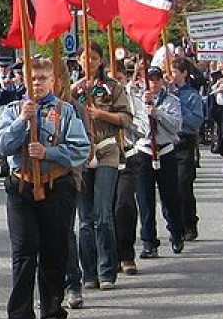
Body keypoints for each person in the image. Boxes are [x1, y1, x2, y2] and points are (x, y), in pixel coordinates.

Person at [0, 57, 90, 319]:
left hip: (55, 184)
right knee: (23, 252)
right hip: (21, 186)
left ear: (53, 81)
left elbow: (80, 149)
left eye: (42, 78)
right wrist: (23, 122)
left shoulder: (65, 111)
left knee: (54, 249)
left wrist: (49, 153)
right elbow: (2, 145)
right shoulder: (13, 110)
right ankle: (19, 317)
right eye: (32, 78)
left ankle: (52, 312)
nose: (36, 83)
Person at [69, 43, 132, 295]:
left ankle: (107, 269)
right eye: (85, 58)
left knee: (103, 214)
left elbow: (125, 118)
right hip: (82, 154)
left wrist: (100, 114)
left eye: (94, 58)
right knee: (85, 219)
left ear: (101, 60)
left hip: (106, 150)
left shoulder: (112, 88)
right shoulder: (74, 90)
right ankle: (89, 272)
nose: (90, 62)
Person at [129, 66, 185, 262]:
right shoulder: (136, 101)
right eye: (149, 79)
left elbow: (176, 126)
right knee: (145, 200)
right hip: (144, 151)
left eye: (156, 79)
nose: (153, 83)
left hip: (165, 150)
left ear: (161, 81)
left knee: (170, 197)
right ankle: (149, 242)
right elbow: (134, 126)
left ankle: (177, 233)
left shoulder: (171, 101)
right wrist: (145, 114)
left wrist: (157, 113)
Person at [170, 58, 204, 242]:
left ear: (184, 74)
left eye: (175, 71)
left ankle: (190, 223)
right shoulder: (164, 93)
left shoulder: (192, 96)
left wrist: (178, 105)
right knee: (170, 188)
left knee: (184, 184)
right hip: (168, 143)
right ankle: (175, 225)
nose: (171, 75)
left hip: (185, 142)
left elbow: (196, 121)